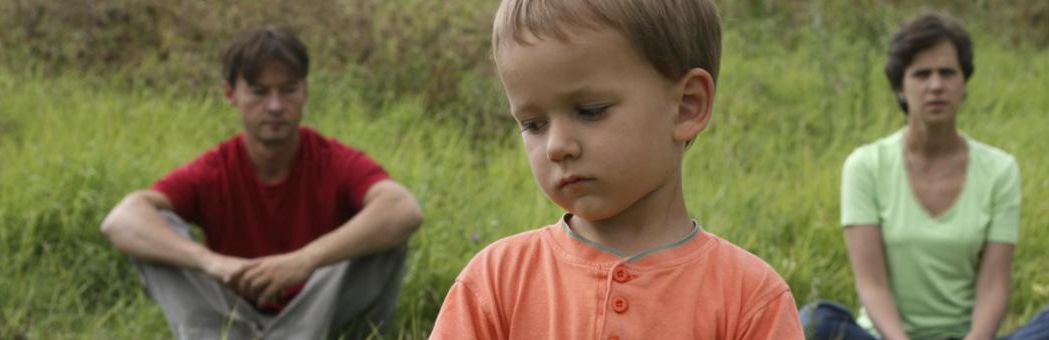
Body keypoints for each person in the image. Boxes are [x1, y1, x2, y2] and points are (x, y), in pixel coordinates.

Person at [428, 1, 804, 339]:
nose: (557, 146)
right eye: (533, 124)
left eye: (590, 110)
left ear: (687, 106)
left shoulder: (749, 298)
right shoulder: (497, 281)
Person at [100, 26, 423, 339]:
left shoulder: (333, 160)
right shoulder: (217, 169)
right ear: (230, 94)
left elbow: (403, 208)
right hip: (232, 317)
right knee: (155, 226)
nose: (275, 106)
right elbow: (121, 220)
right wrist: (213, 263)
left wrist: (304, 261)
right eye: (259, 92)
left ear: (305, 91)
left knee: (382, 228)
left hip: (318, 317)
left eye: (289, 89)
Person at [799, 13, 1049, 340]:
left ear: (963, 83)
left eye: (947, 73)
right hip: (887, 338)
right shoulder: (865, 166)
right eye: (921, 74)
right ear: (900, 87)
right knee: (815, 319)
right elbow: (871, 284)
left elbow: (994, 285)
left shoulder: (999, 170)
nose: (936, 86)